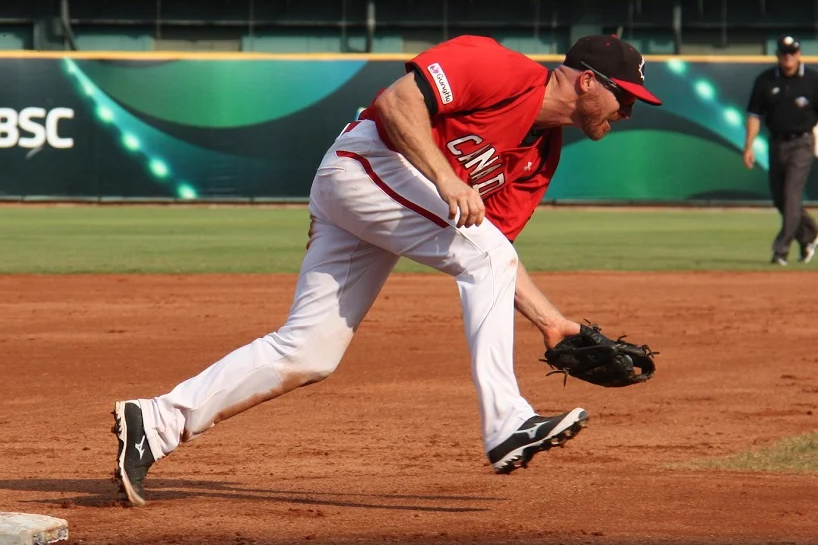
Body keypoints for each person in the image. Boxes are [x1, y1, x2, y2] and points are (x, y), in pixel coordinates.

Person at [112, 34, 662, 506]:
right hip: (366, 164)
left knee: (309, 352)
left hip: (386, 198)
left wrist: (551, 323)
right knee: (485, 255)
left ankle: (156, 422)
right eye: (626, 97)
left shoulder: (540, 155)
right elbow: (398, 102)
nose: (629, 112)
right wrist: (446, 179)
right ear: (587, 82)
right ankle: (507, 423)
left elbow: (491, 252)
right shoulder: (501, 68)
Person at [743, 35, 818, 266]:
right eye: (784, 53)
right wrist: (749, 146)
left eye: (792, 53)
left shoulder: (813, 80)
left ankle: (780, 250)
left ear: (799, 54)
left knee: (791, 195)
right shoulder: (765, 81)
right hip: (776, 143)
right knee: (781, 199)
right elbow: (754, 116)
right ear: (777, 55)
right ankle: (810, 234)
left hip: (802, 143)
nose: (788, 57)